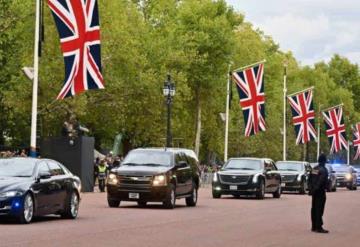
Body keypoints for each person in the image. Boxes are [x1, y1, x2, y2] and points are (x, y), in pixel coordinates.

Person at [309, 153, 329, 233]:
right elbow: (321, 181)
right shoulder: (324, 170)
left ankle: (314, 226)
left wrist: (311, 189)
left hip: (314, 192)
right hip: (320, 191)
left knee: (314, 208)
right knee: (319, 209)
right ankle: (319, 226)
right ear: (324, 161)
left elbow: (310, 179)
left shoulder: (315, 169)